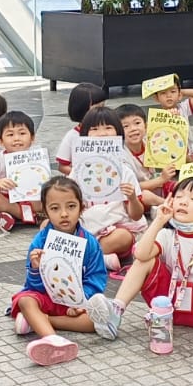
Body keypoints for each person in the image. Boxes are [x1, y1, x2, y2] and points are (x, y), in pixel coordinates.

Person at [85, 176, 193, 356]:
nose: (184, 202)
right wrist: (158, 221)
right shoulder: (166, 234)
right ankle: (115, 312)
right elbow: (140, 254)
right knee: (144, 261)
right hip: (166, 308)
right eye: (179, 196)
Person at [10, 176, 108, 366]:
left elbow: (96, 278)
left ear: (81, 207)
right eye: (55, 208)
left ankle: (42, 321)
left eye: (71, 206)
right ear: (45, 211)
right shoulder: (39, 242)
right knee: (25, 300)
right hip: (45, 298)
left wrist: (81, 302)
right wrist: (36, 269)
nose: (64, 214)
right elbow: (32, 286)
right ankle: (54, 340)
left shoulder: (90, 243)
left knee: (96, 321)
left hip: (75, 302)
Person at [72, 107, 146, 270]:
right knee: (48, 225)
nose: (102, 133)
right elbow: (68, 200)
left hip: (115, 228)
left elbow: (136, 215)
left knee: (123, 237)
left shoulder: (124, 171)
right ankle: (100, 259)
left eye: (108, 128)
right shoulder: (78, 170)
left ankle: (82, 258)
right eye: (95, 129)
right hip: (85, 227)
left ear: (118, 134)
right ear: (85, 135)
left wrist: (132, 198)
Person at [0, 111, 44, 234]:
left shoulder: (37, 157)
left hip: (31, 199)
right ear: (0, 141)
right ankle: (33, 218)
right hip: (8, 200)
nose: (17, 138)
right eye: (10, 134)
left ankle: (12, 218)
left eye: (22, 133)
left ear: (32, 137)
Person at [55, 83, 106, 174]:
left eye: (103, 107)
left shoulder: (108, 132)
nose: (101, 112)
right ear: (81, 108)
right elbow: (62, 166)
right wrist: (81, 175)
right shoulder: (72, 136)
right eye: (97, 108)